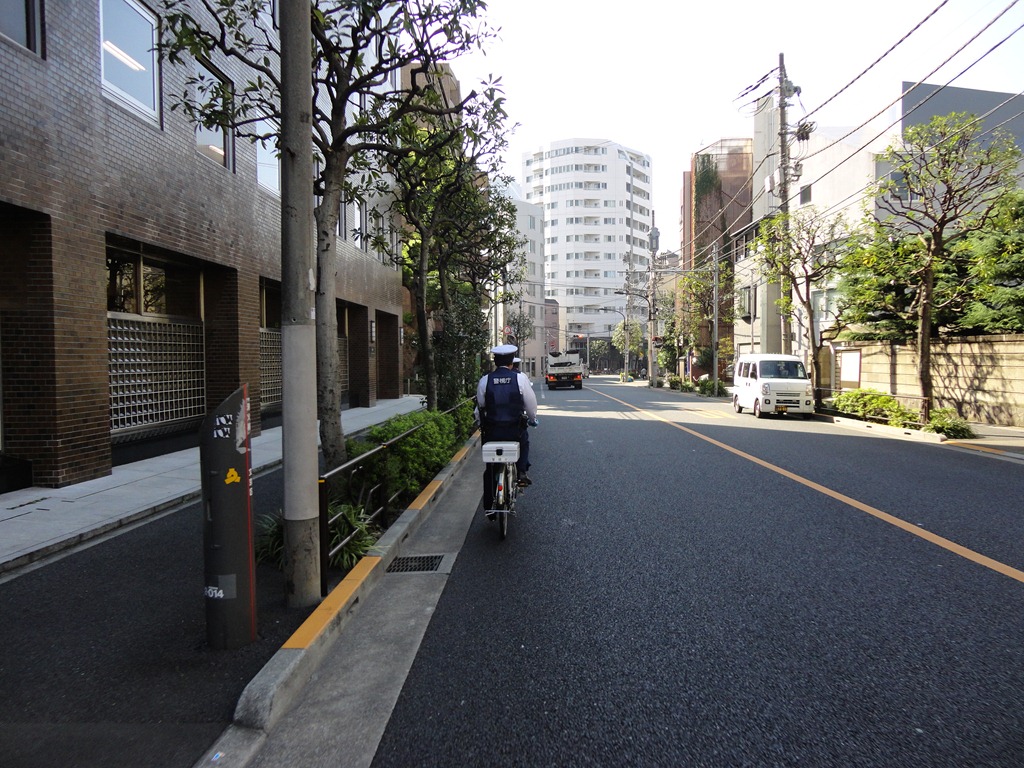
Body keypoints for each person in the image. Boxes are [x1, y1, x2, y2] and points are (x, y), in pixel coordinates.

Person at [477, 345, 538, 500]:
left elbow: (480, 406)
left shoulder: (485, 380)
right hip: (514, 431)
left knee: (490, 465)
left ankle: (490, 501)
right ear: (512, 362)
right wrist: (532, 419)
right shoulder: (520, 378)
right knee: (524, 442)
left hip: (492, 431)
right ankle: (522, 472)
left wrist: (480, 422)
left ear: (495, 361)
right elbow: (530, 405)